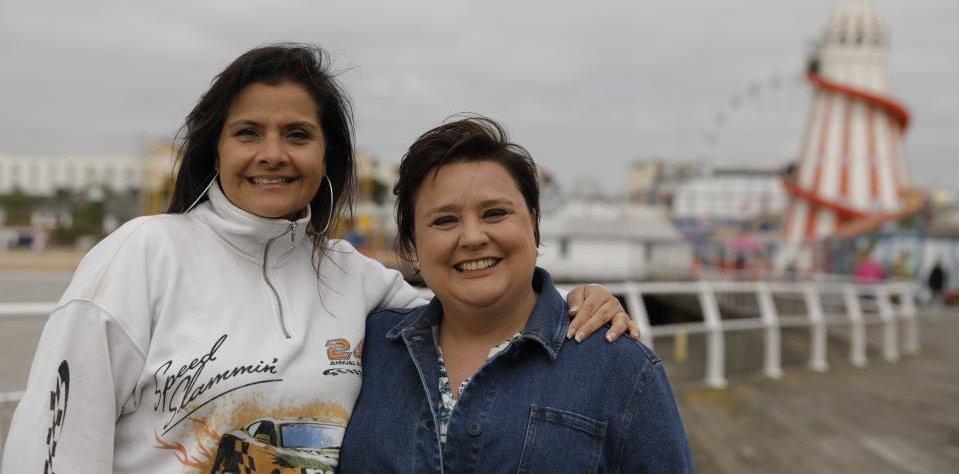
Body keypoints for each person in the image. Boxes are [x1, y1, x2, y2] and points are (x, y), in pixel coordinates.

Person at [0, 45, 637, 473]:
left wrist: (576, 300)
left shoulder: (355, 279)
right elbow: (50, 450)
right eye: (248, 132)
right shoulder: (141, 258)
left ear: (327, 158)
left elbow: (479, 306)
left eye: (297, 135)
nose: (272, 153)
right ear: (214, 149)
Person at [341, 117, 694, 472]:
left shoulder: (621, 369)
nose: (473, 237)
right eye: (445, 220)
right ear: (411, 242)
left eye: (495, 213)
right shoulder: (366, 351)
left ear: (534, 222)